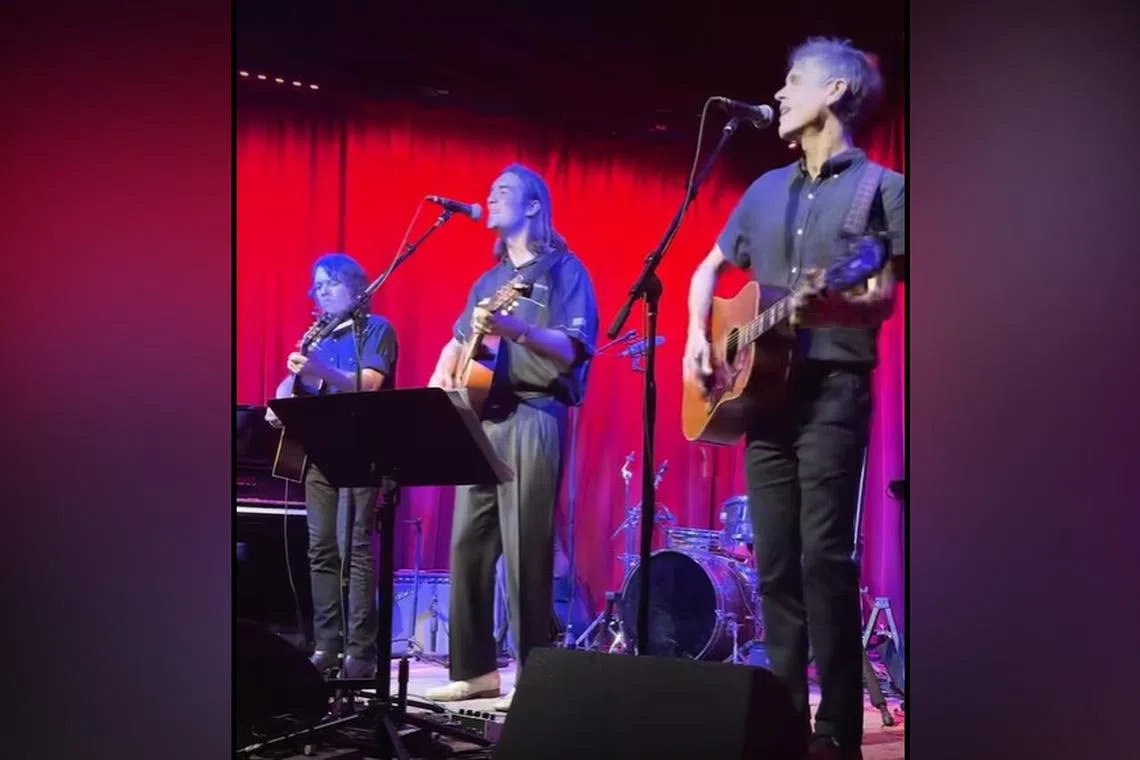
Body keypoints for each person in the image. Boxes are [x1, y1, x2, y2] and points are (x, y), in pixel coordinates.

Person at [683, 38, 905, 760]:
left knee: (822, 560)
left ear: (836, 89)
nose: (777, 95)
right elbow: (706, 268)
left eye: (790, 82)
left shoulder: (882, 191)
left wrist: (828, 307)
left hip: (832, 392)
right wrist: (696, 337)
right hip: (763, 399)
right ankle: (781, 720)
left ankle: (836, 727)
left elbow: (877, 299)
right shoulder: (763, 190)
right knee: (774, 561)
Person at [424, 163, 599, 711]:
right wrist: (441, 374)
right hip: (483, 416)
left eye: (503, 191)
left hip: (534, 412)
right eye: (489, 189)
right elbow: (458, 341)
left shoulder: (564, 271)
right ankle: (474, 670)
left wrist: (517, 329)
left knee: (525, 545)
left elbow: (573, 348)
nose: (489, 197)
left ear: (532, 207)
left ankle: (532, 670)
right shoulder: (487, 279)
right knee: (467, 544)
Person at [265, 253, 399, 679]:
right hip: (318, 454)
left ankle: (361, 652)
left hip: (359, 451)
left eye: (330, 283)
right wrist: (288, 386)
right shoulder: (317, 337)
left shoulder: (376, 330)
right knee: (321, 549)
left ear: (356, 288)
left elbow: (371, 385)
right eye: (317, 285)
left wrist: (320, 368)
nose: (321, 291)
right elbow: (292, 390)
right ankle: (327, 645)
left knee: (354, 550)